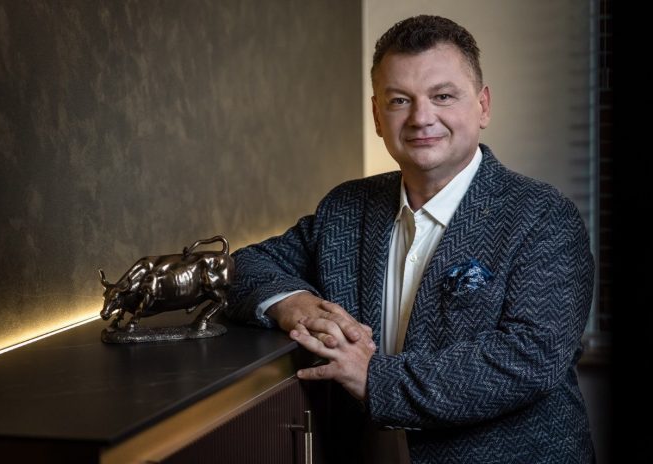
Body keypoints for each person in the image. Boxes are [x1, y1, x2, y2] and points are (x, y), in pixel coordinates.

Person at [226, 14, 594, 463]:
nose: (421, 118)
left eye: (443, 96)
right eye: (400, 100)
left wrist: (375, 379)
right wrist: (295, 305)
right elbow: (244, 266)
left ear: (482, 106)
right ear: (377, 116)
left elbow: (530, 357)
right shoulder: (346, 207)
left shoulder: (544, 216)